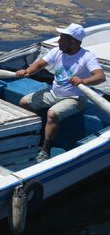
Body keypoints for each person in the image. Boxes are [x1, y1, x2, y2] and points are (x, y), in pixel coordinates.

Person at [16, 23, 106, 163]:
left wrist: (83, 81)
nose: (58, 41)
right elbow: (40, 64)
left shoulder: (87, 57)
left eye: (62, 38)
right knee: (24, 102)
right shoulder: (57, 51)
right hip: (54, 93)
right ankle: (35, 134)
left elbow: (100, 76)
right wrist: (27, 71)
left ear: (72, 42)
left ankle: (46, 148)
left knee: (52, 113)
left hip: (74, 98)